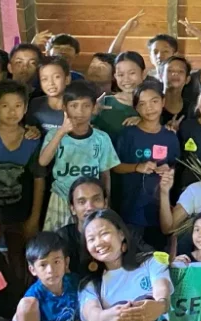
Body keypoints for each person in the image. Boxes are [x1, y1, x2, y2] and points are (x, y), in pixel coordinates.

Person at [39, 81, 121, 231]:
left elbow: (105, 174)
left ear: (94, 108)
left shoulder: (101, 138)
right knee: (58, 240)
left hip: (91, 200)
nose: (80, 111)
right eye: (74, 106)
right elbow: (43, 161)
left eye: (86, 106)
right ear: (64, 108)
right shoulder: (54, 135)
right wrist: (61, 132)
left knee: (90, 236)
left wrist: (105, 199)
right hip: (61, 197)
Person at [0, 80, 45, 255]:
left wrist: (34, 219)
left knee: (19, 261)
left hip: (21, 214)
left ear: (25, 108)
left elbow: (39, 179)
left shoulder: (33, 139)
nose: (12, 111)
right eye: (5, 105)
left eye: (18, 105)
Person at [113, 81, 180, 249]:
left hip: (159, 214)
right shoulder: (128, 134)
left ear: (163, 102)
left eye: (154, 101)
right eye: (142, 104)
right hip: (130, 211)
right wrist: (137, 167)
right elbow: (114, 166)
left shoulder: (170, 137)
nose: (149, 108)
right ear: (136, 108)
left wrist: (167, 171)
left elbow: (174, 167)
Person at [92, 52, 146, 140]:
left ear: (143, 74)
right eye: (121, 75)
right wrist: (91, 113)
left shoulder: (151, 103)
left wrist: (144, 122)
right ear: (115, 76)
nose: (126, 79)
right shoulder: (104, 103)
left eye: (132, 73)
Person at [27, 55, 70, 131]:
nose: (51, 83)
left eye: (56, 77)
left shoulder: (77, 105)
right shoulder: (35, 104)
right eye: (44, 79)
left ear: (67, 79)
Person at [161, 56, 191, 125]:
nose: (175, 73)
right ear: (161, 76)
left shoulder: (191, 109)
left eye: (181, 71)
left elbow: (192, 136)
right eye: (170, 70)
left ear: (187, 79)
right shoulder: (151, 103)